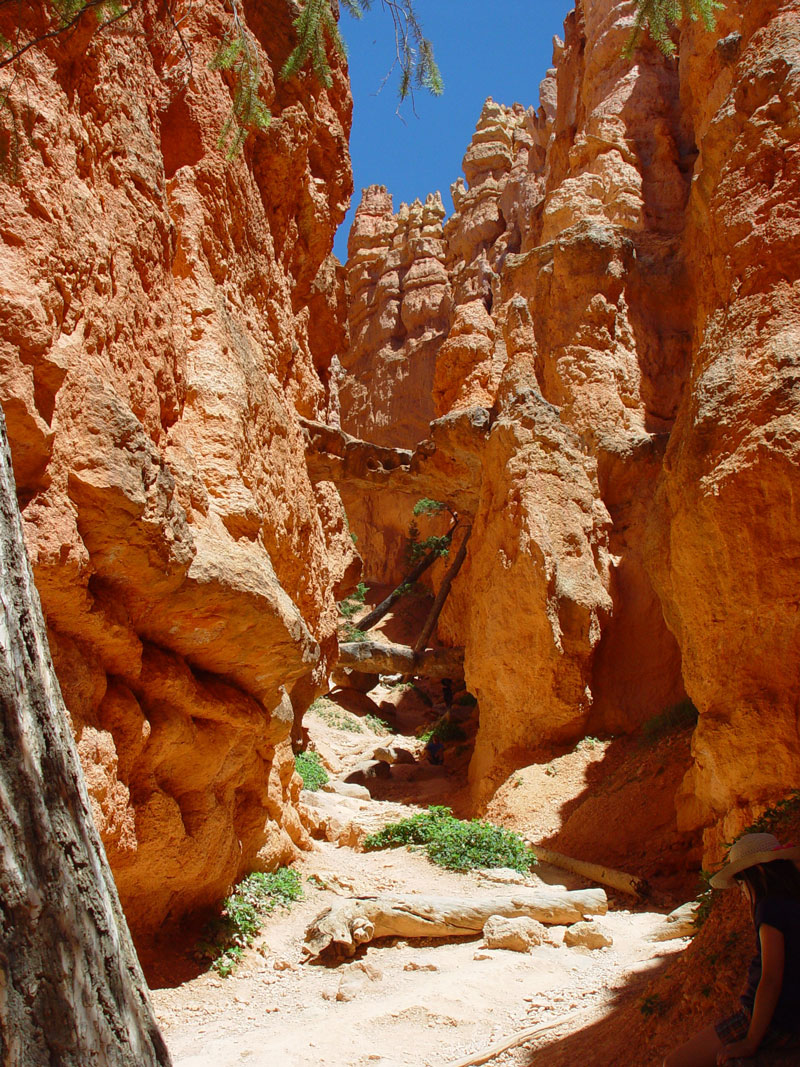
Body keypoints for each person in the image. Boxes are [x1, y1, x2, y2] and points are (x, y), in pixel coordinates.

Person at [664, 832, 800, 1067]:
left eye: (740, 881)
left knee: (675, 1063)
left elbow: (771, 979)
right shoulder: (792, 900)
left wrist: (751, 1041)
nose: (741, 890)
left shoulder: (769, 908)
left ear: (755, 874)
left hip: (777, 1021)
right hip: (793, 1016)